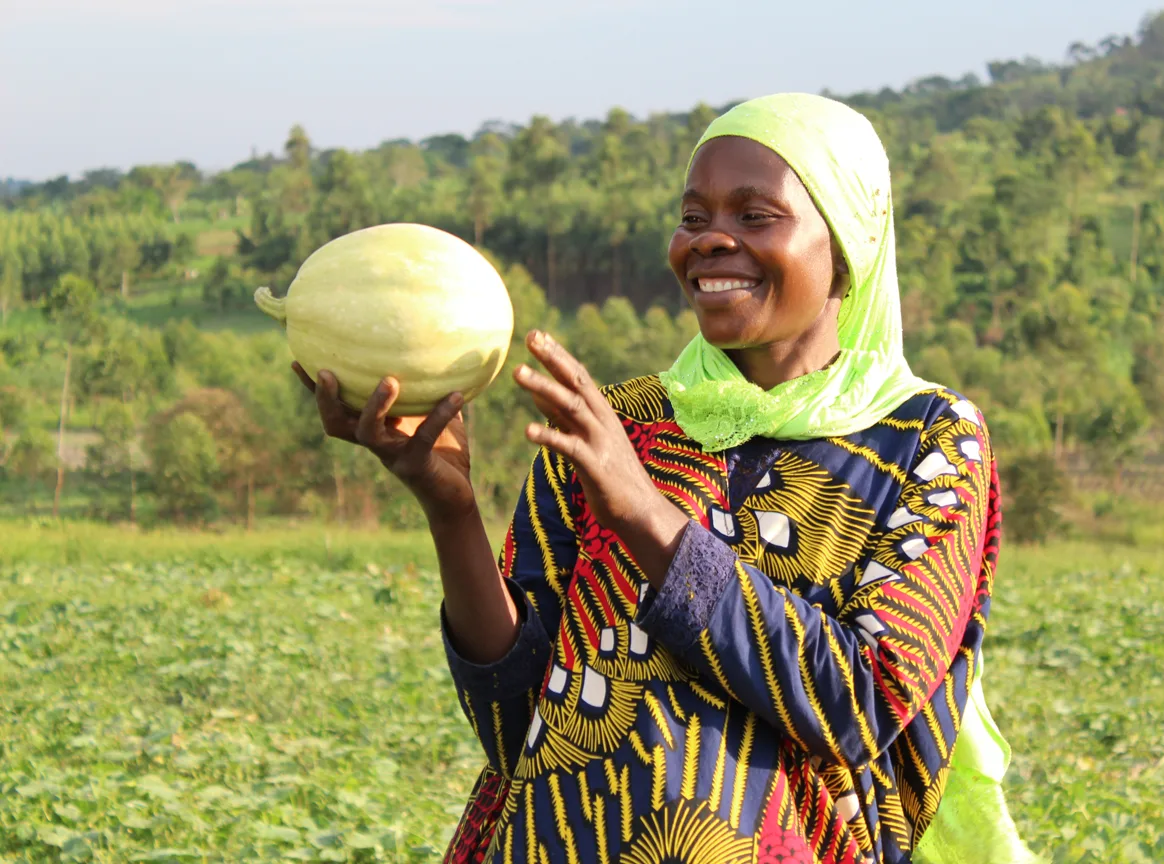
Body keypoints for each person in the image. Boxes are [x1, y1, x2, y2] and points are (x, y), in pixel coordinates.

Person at [295, 93, 1039, 864]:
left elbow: (861, 699)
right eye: (693, 217)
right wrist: (447, 507)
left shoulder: (928, 440)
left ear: (845, 244)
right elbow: (518, 728)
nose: (712, 239)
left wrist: (648, 518)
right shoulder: (612, 424)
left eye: (756, 216)